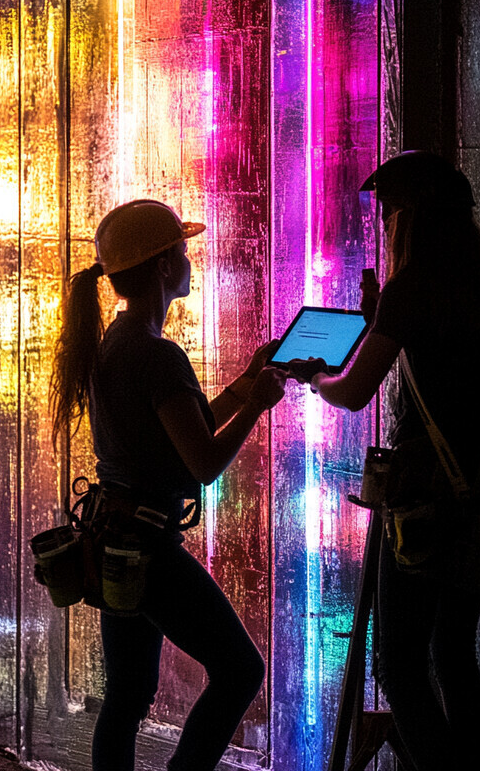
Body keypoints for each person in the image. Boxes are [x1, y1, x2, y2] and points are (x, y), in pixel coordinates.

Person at [290, 151, 480, 771]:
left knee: (398, 663)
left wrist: (317, 377)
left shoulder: (411, 289)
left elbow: (356, 390)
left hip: (421, 501)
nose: (386, 226)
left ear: (411, 218)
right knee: (455, 655)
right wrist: (379, 318)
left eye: (390, 215)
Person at [49, 199, 287, 771]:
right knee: (240, 670)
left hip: (113, 543)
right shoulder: (157, 355)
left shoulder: (116, 345)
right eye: (182, 252)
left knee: (127, 698)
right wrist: (256, 406)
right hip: (148, 549)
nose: (189, 262)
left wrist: (249, 378)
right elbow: (203, 461)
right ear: (160, 268)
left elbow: (188, 425)